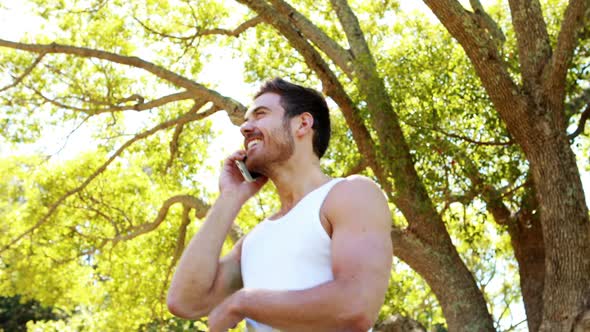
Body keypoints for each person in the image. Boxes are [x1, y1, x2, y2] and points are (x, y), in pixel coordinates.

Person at [167, 78, 393, 332]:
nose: (245, 129)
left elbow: (355, 307)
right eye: (245, 122)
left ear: (303, 124)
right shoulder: (254, 241)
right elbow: (185, 302)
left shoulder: (350, 193)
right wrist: (229, 198)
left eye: (260, 115)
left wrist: (242, 302)